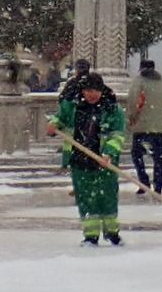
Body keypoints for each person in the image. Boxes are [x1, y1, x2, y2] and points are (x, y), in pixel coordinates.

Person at [48, 73, 128, 245]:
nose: (92, 94)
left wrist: (108, 153)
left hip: (104, 162)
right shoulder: (72, 107)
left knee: (107, 198)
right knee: (86, 198)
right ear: (82, 91)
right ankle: (90, 235)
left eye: (96, 91)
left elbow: (117, 135)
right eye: (88, 90)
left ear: (102, 91)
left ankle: (112, 233)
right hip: (79, 160)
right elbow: (60, 119)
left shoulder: (112, 110)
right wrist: (53, 124)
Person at [129, 58, 162, 195]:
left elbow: (134, 101)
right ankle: (158, 186)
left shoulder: (139, 82)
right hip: (159, 127)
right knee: (158, 157)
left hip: (142, 126)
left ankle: (144, 182)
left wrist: (132, 118)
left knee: (137, 155)